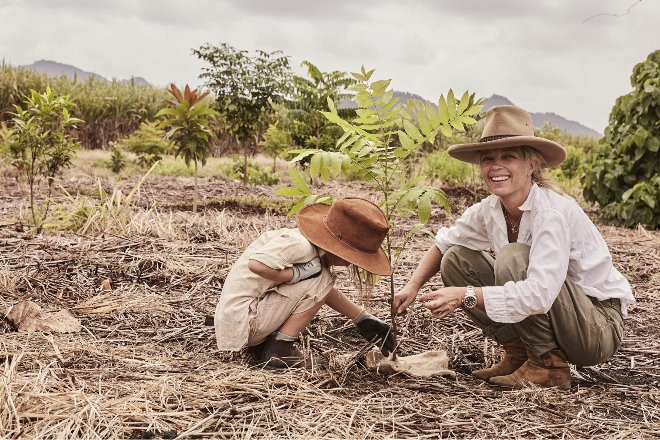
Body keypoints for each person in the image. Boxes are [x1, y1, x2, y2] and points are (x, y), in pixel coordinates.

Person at [392, 105, 635, 389]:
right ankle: (520, 353)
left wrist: (465, 295)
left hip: (595, 327)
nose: (496, 166)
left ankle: (548, 365)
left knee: (513, 259)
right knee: (456, 260)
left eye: (508, 157)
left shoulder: (550, 212)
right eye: (488, 159)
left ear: (532, 165)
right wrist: (412, 287)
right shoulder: (490, 210)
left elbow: (540, 295)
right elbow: (445, 243)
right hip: (563, 315)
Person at [214, 197, 395, 370]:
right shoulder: (300, 245)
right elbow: (256, 265)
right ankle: (279, 352)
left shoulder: (309, 249)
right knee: (322, 276)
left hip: (241, 320)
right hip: (244, 321)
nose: (352, 263)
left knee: (319, 276)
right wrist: (297, 273)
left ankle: (270, 346)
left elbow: (319, 290)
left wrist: (361, 318)